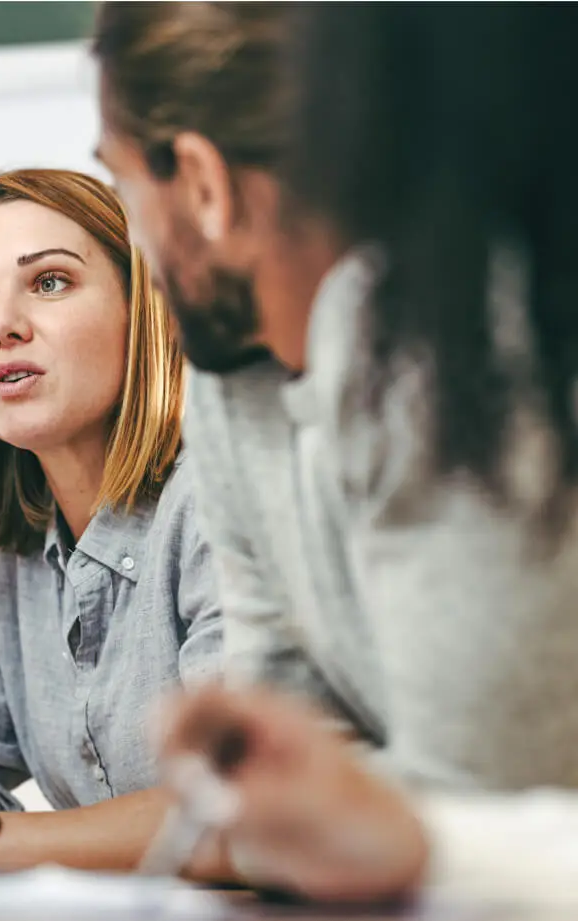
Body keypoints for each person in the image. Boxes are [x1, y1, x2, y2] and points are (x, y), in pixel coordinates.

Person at [93, 1, 578, 901]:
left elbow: (484, 799)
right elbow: (285, 785)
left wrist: (348, 819)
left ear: (202, 183)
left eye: (121, 187)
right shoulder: (231, 389)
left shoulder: (460, 351)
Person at [0, 168, 227, 876]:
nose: (3, 326)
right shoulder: (3, 560)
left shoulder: (224, 504)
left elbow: (241, 806)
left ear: (148, 310)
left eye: (48, 283)